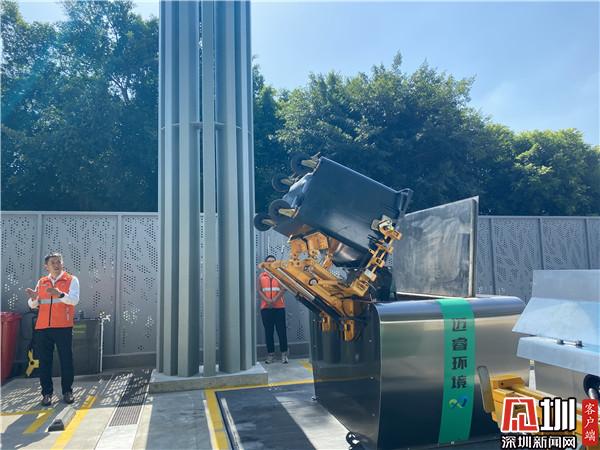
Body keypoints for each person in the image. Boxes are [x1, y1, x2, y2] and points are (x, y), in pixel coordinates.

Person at [26, 253, 80, 406]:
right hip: (43, 327)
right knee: (44, 362)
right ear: (46, 266)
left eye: (58, 262)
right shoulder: (42, 282)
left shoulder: (71, 280)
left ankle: (67, 391)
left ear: (62, 263)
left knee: (66, 360)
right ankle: (46, 394)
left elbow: (74, 300)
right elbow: (33, 305)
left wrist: (60, 294)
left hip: (63, 326)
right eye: (53, 263)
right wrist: (33, 298)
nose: (56, 265)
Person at [257, 255, 288, 364]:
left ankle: (284, 354)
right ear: (265, 263)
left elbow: (284, 288)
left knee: (281, 331)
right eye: (268, 261)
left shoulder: (280, 275)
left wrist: (274, 300)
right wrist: (267, 301)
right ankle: (270, 355)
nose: (270, 263)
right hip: (265, 309)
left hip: (279, 308)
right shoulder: (261, 276)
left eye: (273, 261)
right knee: (268, 332)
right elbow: (259, 290)